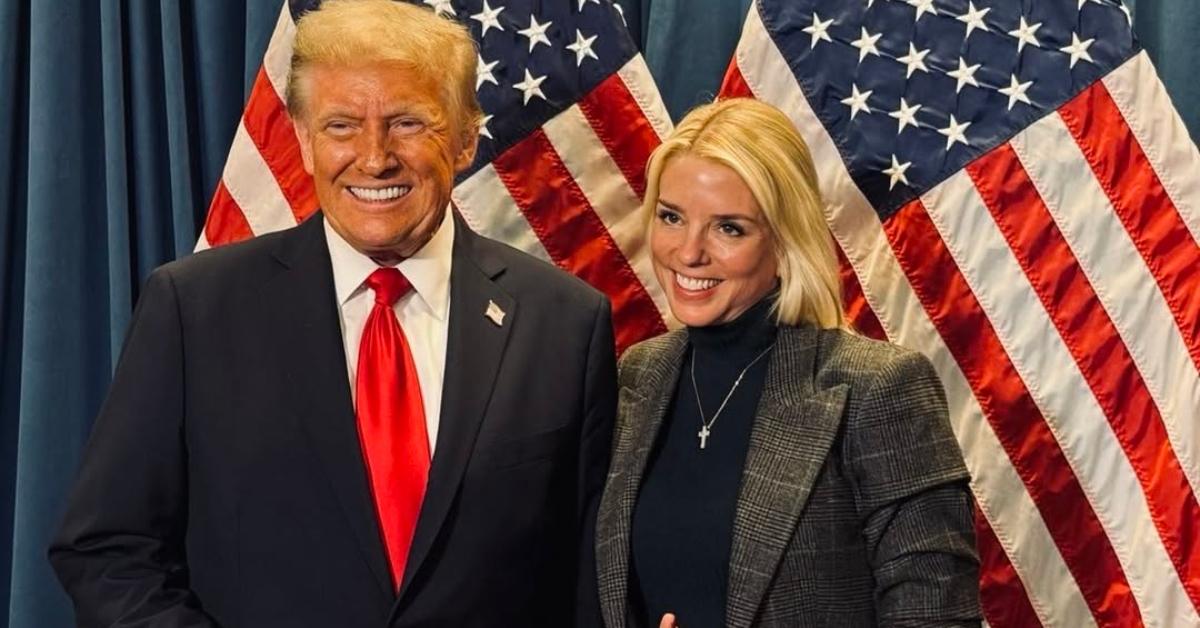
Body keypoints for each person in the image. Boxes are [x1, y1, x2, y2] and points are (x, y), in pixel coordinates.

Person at [48, 1, 614, 626]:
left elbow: (588, 575)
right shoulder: (194, 311)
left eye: (407, 124)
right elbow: (106, 550)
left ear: (463, 141)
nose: (374, 158)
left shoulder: (564, 322)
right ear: (303, 142)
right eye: (342, 126)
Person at [594, 98, 980, 628]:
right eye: (671, 217)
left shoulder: (877, 388)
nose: (688, 253)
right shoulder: (640, 374)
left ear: (784, 239)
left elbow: (936, 618)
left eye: (729, 228)